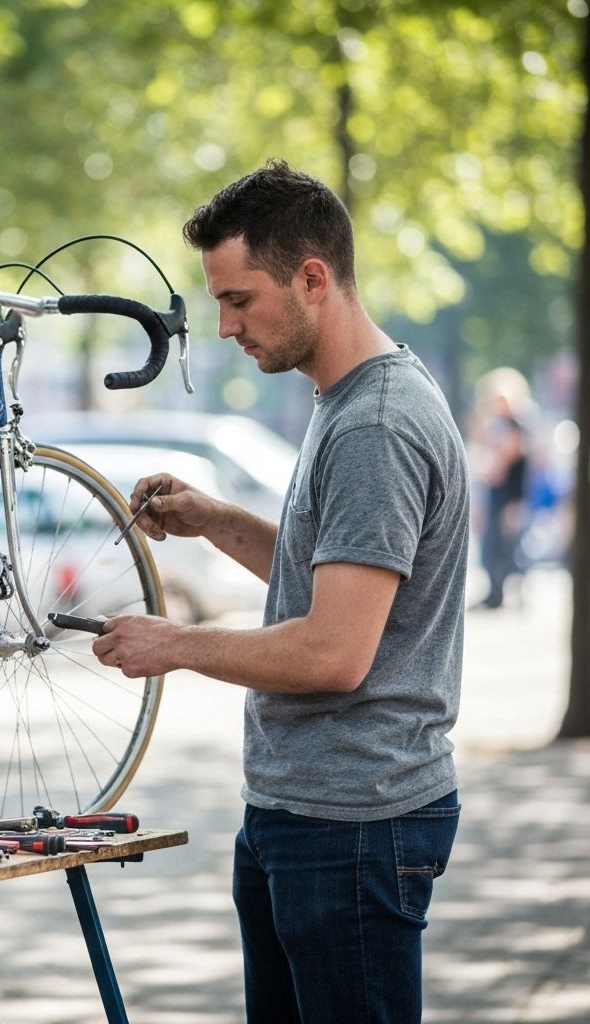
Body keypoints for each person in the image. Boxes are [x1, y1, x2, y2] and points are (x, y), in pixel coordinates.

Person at [92, 160, 470, 1024]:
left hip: (353, 826)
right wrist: (217, 521)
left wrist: (173, 646)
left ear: (312, 278)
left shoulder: (376, 424)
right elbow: (335, 581)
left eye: (239, 300)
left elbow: (334, 652)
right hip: (298, 812)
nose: (224, 327)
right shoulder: (346, 400)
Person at [469, 367, 531, 609]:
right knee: (492, 547)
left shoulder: (518, 425)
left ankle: (508, 594)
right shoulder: (499, 425)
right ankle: (494, 594)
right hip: (497, 495)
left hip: (510, 497)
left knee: (509, 549)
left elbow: (507, 460)